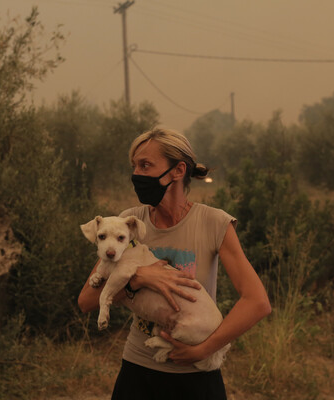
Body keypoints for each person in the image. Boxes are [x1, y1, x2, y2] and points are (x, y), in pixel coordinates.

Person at [77, 128, 272, 399]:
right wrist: (139, 277)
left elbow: (257, 302)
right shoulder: (127, 223)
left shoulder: (214, 223)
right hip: (138, 369)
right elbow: (87, 301)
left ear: (178, 170)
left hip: (196, 376)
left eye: (145, 165)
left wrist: (204, 350)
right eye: (134, 166)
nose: (137, 175)